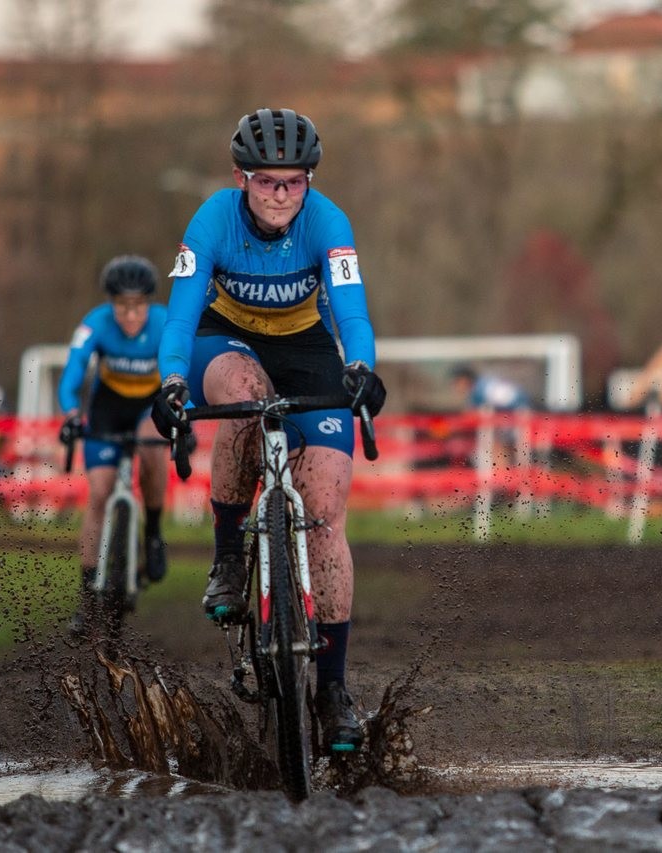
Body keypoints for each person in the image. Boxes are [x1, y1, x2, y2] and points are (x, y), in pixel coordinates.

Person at [152, 108, 386, 752]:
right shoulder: (211, 220)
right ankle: (230, 557)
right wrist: (171, 382)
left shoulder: (329, 223)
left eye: (293, 182)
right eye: (266, 182)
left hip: (306, 346)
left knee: (327, 509)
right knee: (247, 399)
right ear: (241, 178)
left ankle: (333, 689)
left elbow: (352, 313)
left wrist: (362, 369)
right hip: (222, 340)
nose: (280, 195)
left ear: (308, 180)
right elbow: (177, 318)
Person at [58, 255, 170, 631]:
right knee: (100, 493)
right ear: (111, 304)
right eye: (122, 306)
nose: (130, 315)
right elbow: (73, 372)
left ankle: (153, 532)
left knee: (151, 443)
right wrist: (73, 413)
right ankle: (87, 597)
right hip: (107, 409)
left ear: (149, 303)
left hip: (148, 408)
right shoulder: (95, 324)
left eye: (138, 306)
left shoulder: (166, 323)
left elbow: (186, 370)